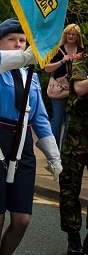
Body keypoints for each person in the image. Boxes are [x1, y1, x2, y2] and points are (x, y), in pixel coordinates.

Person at [0, 18, 61, 255]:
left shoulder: (33, 76)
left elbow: (39, 117)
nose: (19, 44)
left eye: (22, 40)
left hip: (23, 142)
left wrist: (54, 156)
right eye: (12, 40)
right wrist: (25, 57)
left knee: (22, 219)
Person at [59, 38, 88, 254]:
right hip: (78, 131)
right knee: (70, 185)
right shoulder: (81, 60)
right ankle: (73, 237)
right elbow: (79, 88)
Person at [44, 23, 83, 148]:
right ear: (65, 35)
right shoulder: (57, 49)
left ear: (78, 37)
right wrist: (62, 61)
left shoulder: (82, 51)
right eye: (69, 34)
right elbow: (47, 68)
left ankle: (65, 149)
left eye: (74, 34)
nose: (71, 36)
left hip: (75, 90)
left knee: (69, 122)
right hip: (59, 90)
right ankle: (53, 149)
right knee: (57, 121)